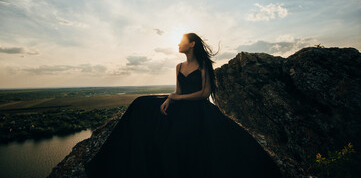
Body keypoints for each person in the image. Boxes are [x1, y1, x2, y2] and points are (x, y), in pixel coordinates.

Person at [84, 32, 283, 178]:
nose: (178, 44)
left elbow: (205, 94)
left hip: (198, 109)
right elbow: (178, 92)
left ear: (192, 44)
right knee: (140, 104)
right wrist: (171, 98)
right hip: (180, 103)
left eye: (182, 41)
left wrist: (177, 99)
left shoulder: (204, 66)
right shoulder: (179, 66)